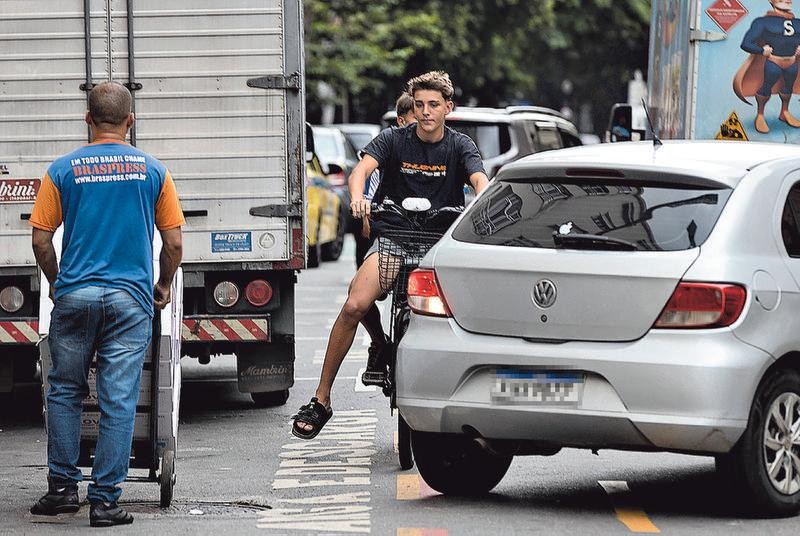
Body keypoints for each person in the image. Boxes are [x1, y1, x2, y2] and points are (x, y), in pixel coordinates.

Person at [292, 71, 489, 439]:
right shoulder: (393, 140)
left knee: (468, 315)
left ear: (448, 108)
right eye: (420, 105)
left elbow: (480, 180)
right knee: (355, 304)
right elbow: (361, 171)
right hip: (394, 239)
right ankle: (322, 399)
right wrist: (358, 198)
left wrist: (481, 202)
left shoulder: (461, 146)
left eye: (434, 105)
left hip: (440, 246)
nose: (426, 112)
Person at [28, 81, 184, 527]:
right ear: (130, 121)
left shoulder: (62, 170)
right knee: (120, 398)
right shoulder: (154, 171)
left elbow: (40, 240)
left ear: (88, 120)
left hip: (75, 296)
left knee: (64, 391)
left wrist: (58, 282)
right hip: (129, 300)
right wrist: (163, 284)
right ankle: (104, 501)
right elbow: (174, 243)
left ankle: (62, 489)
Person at [355, 91, 417, 387]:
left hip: (427, 239)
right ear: (402, 121)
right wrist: (365, 213)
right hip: (389, 237)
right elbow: (365, 190)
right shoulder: (389, 150)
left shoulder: (445, 151)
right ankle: (379, 342)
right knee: (360, 297)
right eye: (416, 117)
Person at [734, 0, 800, 133]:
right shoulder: (763, 22)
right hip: (774, 62)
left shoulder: (797, 22)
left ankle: (784, 112)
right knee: (766, 86)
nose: (787, 0)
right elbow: (746, 43)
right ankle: (760, 115)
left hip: (792, 62)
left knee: (789, 86)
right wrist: (762, 50)